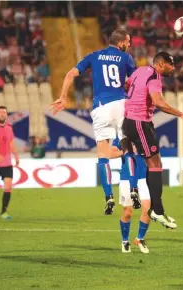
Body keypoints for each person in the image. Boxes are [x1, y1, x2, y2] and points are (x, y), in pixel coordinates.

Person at [50, 29, 136, 216]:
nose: (129, 45)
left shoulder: (94, 56)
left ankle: (108, 196)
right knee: (129, 149)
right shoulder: (126, 58)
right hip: (121, 104)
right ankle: (133, 189)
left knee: (102, 154)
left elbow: (70, 74)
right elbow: (135, 82)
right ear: (120, 42)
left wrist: (64, 97)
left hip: (100, 106)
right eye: (128, 42)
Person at [122, 51, 183, 229]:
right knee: (154, 164)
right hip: (139, 122)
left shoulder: (140, 70)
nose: (173, 68)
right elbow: (159, 102)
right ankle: (157, 210)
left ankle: (157, 209)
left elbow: (126, 85)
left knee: (155, 163)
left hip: (134, 121)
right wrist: (182, 114)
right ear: (160, 64)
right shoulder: (154, 76)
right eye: (170, 64)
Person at [116, 140, 151, 254]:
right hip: (126, 178)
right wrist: (126, 152)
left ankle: (140, 239)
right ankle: (125, 241)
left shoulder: (144, 135)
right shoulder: (121, 137)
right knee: (127, 212)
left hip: (143, 177)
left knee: (148, 210)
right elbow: (109, 153)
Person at [0, 106, 20, 220]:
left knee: (8, 186)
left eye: (4, 112)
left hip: (7, 162)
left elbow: (11, 143)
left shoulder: (9, 127)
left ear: (6, 115)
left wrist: (16, 156)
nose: (2, 114)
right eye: (0, 112)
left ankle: (3, 212)